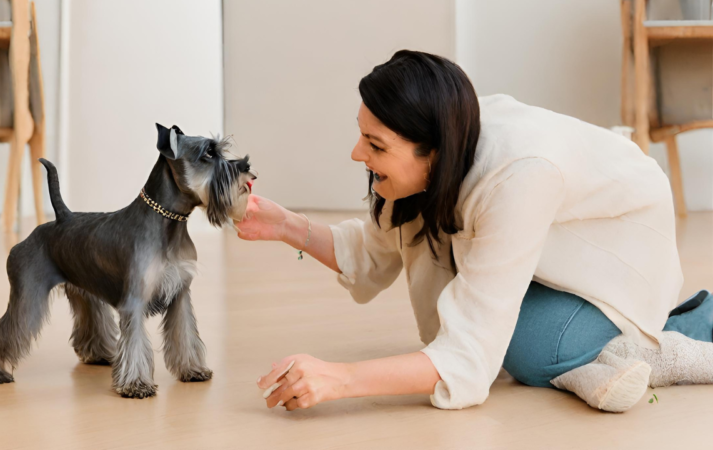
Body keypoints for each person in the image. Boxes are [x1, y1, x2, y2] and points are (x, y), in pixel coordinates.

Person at [237, 50, 713, 413]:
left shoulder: (519, 175)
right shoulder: (439, 136)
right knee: (495, 327)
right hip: (552, 235)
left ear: (431, 151)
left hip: (618, 241)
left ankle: (675, 336)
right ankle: (597, 359)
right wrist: (287, 226)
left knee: (528, 347)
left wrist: (339, 379)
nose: (356, 154)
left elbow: (470, 357)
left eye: (375, 145)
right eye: (362, 134)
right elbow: (371, 252)